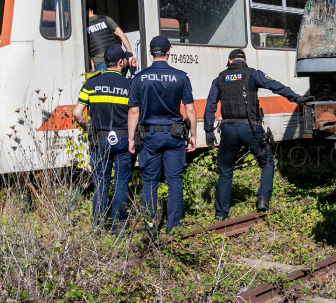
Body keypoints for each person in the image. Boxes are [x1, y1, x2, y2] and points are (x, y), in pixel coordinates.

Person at [205, 48, 309, 218]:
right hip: (250, 129)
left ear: (230, 61)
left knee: (225, 171)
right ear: (244, 61)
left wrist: (208, 131)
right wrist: (296, 98)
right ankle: (262, 199)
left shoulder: (220, 78)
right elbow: (275, 85)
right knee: (267, 161)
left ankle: (220, 214)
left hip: (228, 129)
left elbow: (210, 106)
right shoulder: (252, 74)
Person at [127, 35, 197, 234]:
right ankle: (174, 227)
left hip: (150, 137)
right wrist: (193, 135)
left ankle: (149, 226)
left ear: (150, 53)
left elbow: (134, 112)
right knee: (175, 180)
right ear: (168, 52)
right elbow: (190, 110)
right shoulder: (181, 77)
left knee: (149, 181)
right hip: (175, 136)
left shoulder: (139, 78)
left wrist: (131, 138)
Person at [73, 43, 134, 234]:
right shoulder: (129, 85)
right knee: (122, 183)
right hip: (123, 139)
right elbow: (134, 112)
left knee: (101, 183)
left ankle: (98, 226)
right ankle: (118, 227)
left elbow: (77, 114)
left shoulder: (90, 84)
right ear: (120, 62)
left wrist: (88, 128)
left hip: (99, 138)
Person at [86, 5, 137, 72]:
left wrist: (93, 68)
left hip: (100, 63)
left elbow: (90, 51)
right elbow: (122, 35)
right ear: (92, 11)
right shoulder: (106, 19)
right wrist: (130, 54)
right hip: (117, 60)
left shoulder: (84, 26)